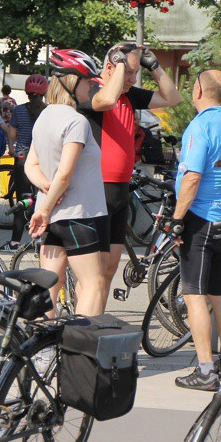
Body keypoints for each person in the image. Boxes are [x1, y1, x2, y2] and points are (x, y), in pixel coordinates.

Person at [74, 43, 181, 301]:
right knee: (94, 273)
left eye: (135, 74)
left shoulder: (129, 94)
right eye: (129, 72)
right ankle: (84, 327)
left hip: (120, 191)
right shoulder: (93, 89)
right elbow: (107, 100)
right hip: (96, 189)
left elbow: (172, 98)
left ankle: (95, 324)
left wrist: (153, 65)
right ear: (111, 66)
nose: (133, 79)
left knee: (109, 269)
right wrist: (121, 62)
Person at [170, 70, 221, 391]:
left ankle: (205, 370)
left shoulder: (201, 126)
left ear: (200, 89)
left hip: (200, 220)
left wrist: (177, 218)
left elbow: (191, 177)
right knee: (219, 293)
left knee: (193, 295)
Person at [25, 59, 108, 318]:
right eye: (87, 82)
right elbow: (65, 173)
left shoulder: (44, 116)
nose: (91, 87)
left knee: (48, 284)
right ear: (71, 83)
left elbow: (31, 166)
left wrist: (48, 195)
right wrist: (49, 204)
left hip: (52, 216)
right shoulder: (76, 121)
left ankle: (42, 352)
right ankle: (79, 354)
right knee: (93, 284)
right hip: (79, 214)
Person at [0, 74, 48, 252]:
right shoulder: (48, 111)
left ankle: (14, 243)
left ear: (27, 93)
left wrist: (13, 147)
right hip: (42, 161)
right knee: (41, 199)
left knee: (22, 200)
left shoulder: (19, 110)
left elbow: (12, 136)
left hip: (22, 160)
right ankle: (39, 239)